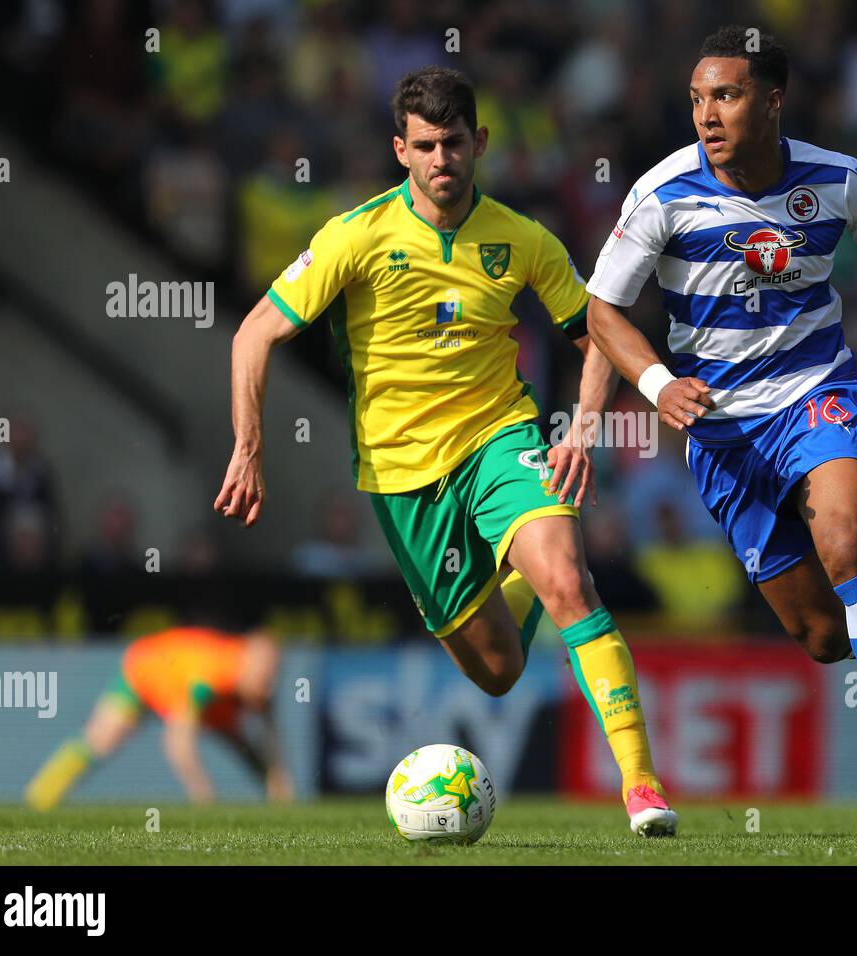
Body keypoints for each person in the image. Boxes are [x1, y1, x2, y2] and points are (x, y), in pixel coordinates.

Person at [214, 67, 676, 836]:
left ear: (480, 143)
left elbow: (597, 329)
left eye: (453, 142)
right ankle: (520, 580)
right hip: (401, 478)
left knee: (568, 577)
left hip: (501, 438)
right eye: (424, 145)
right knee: (497, 672)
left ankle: (642, 785)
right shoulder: (356, 236)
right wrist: (249, 448)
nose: (441, 159)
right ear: (401, 149)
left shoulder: (523, 239)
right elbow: (254, 332)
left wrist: (584, 427)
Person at [585, 26, 857, 834]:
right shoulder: (662, 195)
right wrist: (656, 383)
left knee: (844, 539)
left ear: (771, 101)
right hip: (721, 431)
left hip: (815, 394)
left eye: (724, 95)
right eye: (696, 97)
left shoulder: (841, 182)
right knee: (823, 637)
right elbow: (602, 308)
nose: (706, 114)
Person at [26, 627, 291, 809]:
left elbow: (270, 735)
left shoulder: (257, 678)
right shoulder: (207, 677)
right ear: (248, 662)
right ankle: (40, 796)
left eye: (272, 674)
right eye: (264, 674)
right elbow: (177, 742)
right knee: (102, 739)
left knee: (246, 747)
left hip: (200, 694)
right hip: (145, 671)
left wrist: (281, 782)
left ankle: (277, 801)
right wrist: (203, 794)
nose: (269, 684)